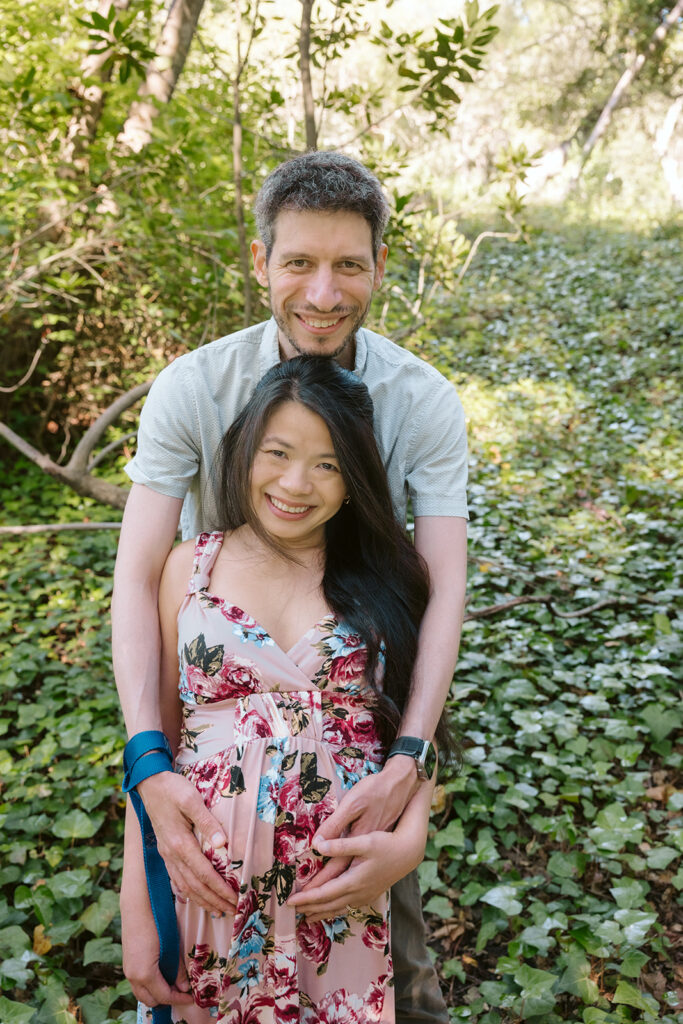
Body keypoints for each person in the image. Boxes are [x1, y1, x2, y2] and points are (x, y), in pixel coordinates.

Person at [113, 150, 468, 1024]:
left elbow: (440, 593)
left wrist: (410, 769)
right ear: (261, 262)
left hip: (355, 719)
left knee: (399, 978)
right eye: (299, 262)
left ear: (380, 267)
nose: (322, 292)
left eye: (349, 265)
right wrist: (147, 766)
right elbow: (137, 581)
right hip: (215, 714)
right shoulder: (196, 389)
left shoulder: (419, 401)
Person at [121, 356, 442, 1022]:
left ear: (355, 479)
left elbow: (418, 733)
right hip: (206, 898)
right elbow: (155, 748)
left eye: (327, 464)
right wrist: (136, 906)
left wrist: (410, 838)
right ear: (244, 453)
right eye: (278, 452)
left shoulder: (391, 576)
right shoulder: (189, 569)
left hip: (339, 909)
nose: (296, 484)